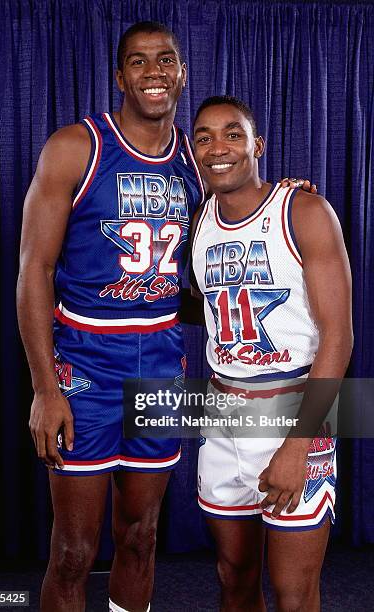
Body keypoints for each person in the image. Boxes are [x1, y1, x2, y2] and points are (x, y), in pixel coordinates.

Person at [17, 21, 206, 612]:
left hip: (161, 368)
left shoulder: (197, 160)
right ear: (119, 75)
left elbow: (249, 215)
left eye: (166, 60)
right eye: (139, 61)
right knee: (73, 551)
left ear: (181, 72)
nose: (154, 72)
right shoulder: (77, 146)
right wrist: (45, 389)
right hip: (85, 362)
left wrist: (290, 195)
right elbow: (34, 271)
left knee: (141, 538)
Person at [191, 96, 353, 612]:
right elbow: (212, 307)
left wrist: (297, 445)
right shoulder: (200, 219)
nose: (218, 148)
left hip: (293, 413)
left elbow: (339, 337)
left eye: (233, 134)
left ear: (257, 146)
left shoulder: (303, 210)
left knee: (293, 593)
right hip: (223, 415)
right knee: (232, 577)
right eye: (204, 137)